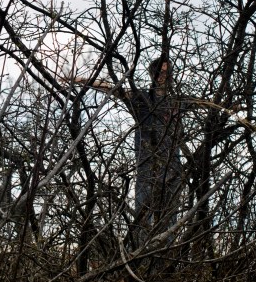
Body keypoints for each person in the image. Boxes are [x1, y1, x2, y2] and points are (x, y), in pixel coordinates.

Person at [70, 56, 187, 236]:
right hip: (147, 165)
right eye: (159, 72)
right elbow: (112, 88)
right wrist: (82, 80)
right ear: (152, 74)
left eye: (167, 72)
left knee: (169, 221)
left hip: (172, 167)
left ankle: (166, 261)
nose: (163, 76)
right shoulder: (141, 98)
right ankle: (141, 261)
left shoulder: (178, 102)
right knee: (143, 218)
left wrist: (231, 107)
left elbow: (207, 104)